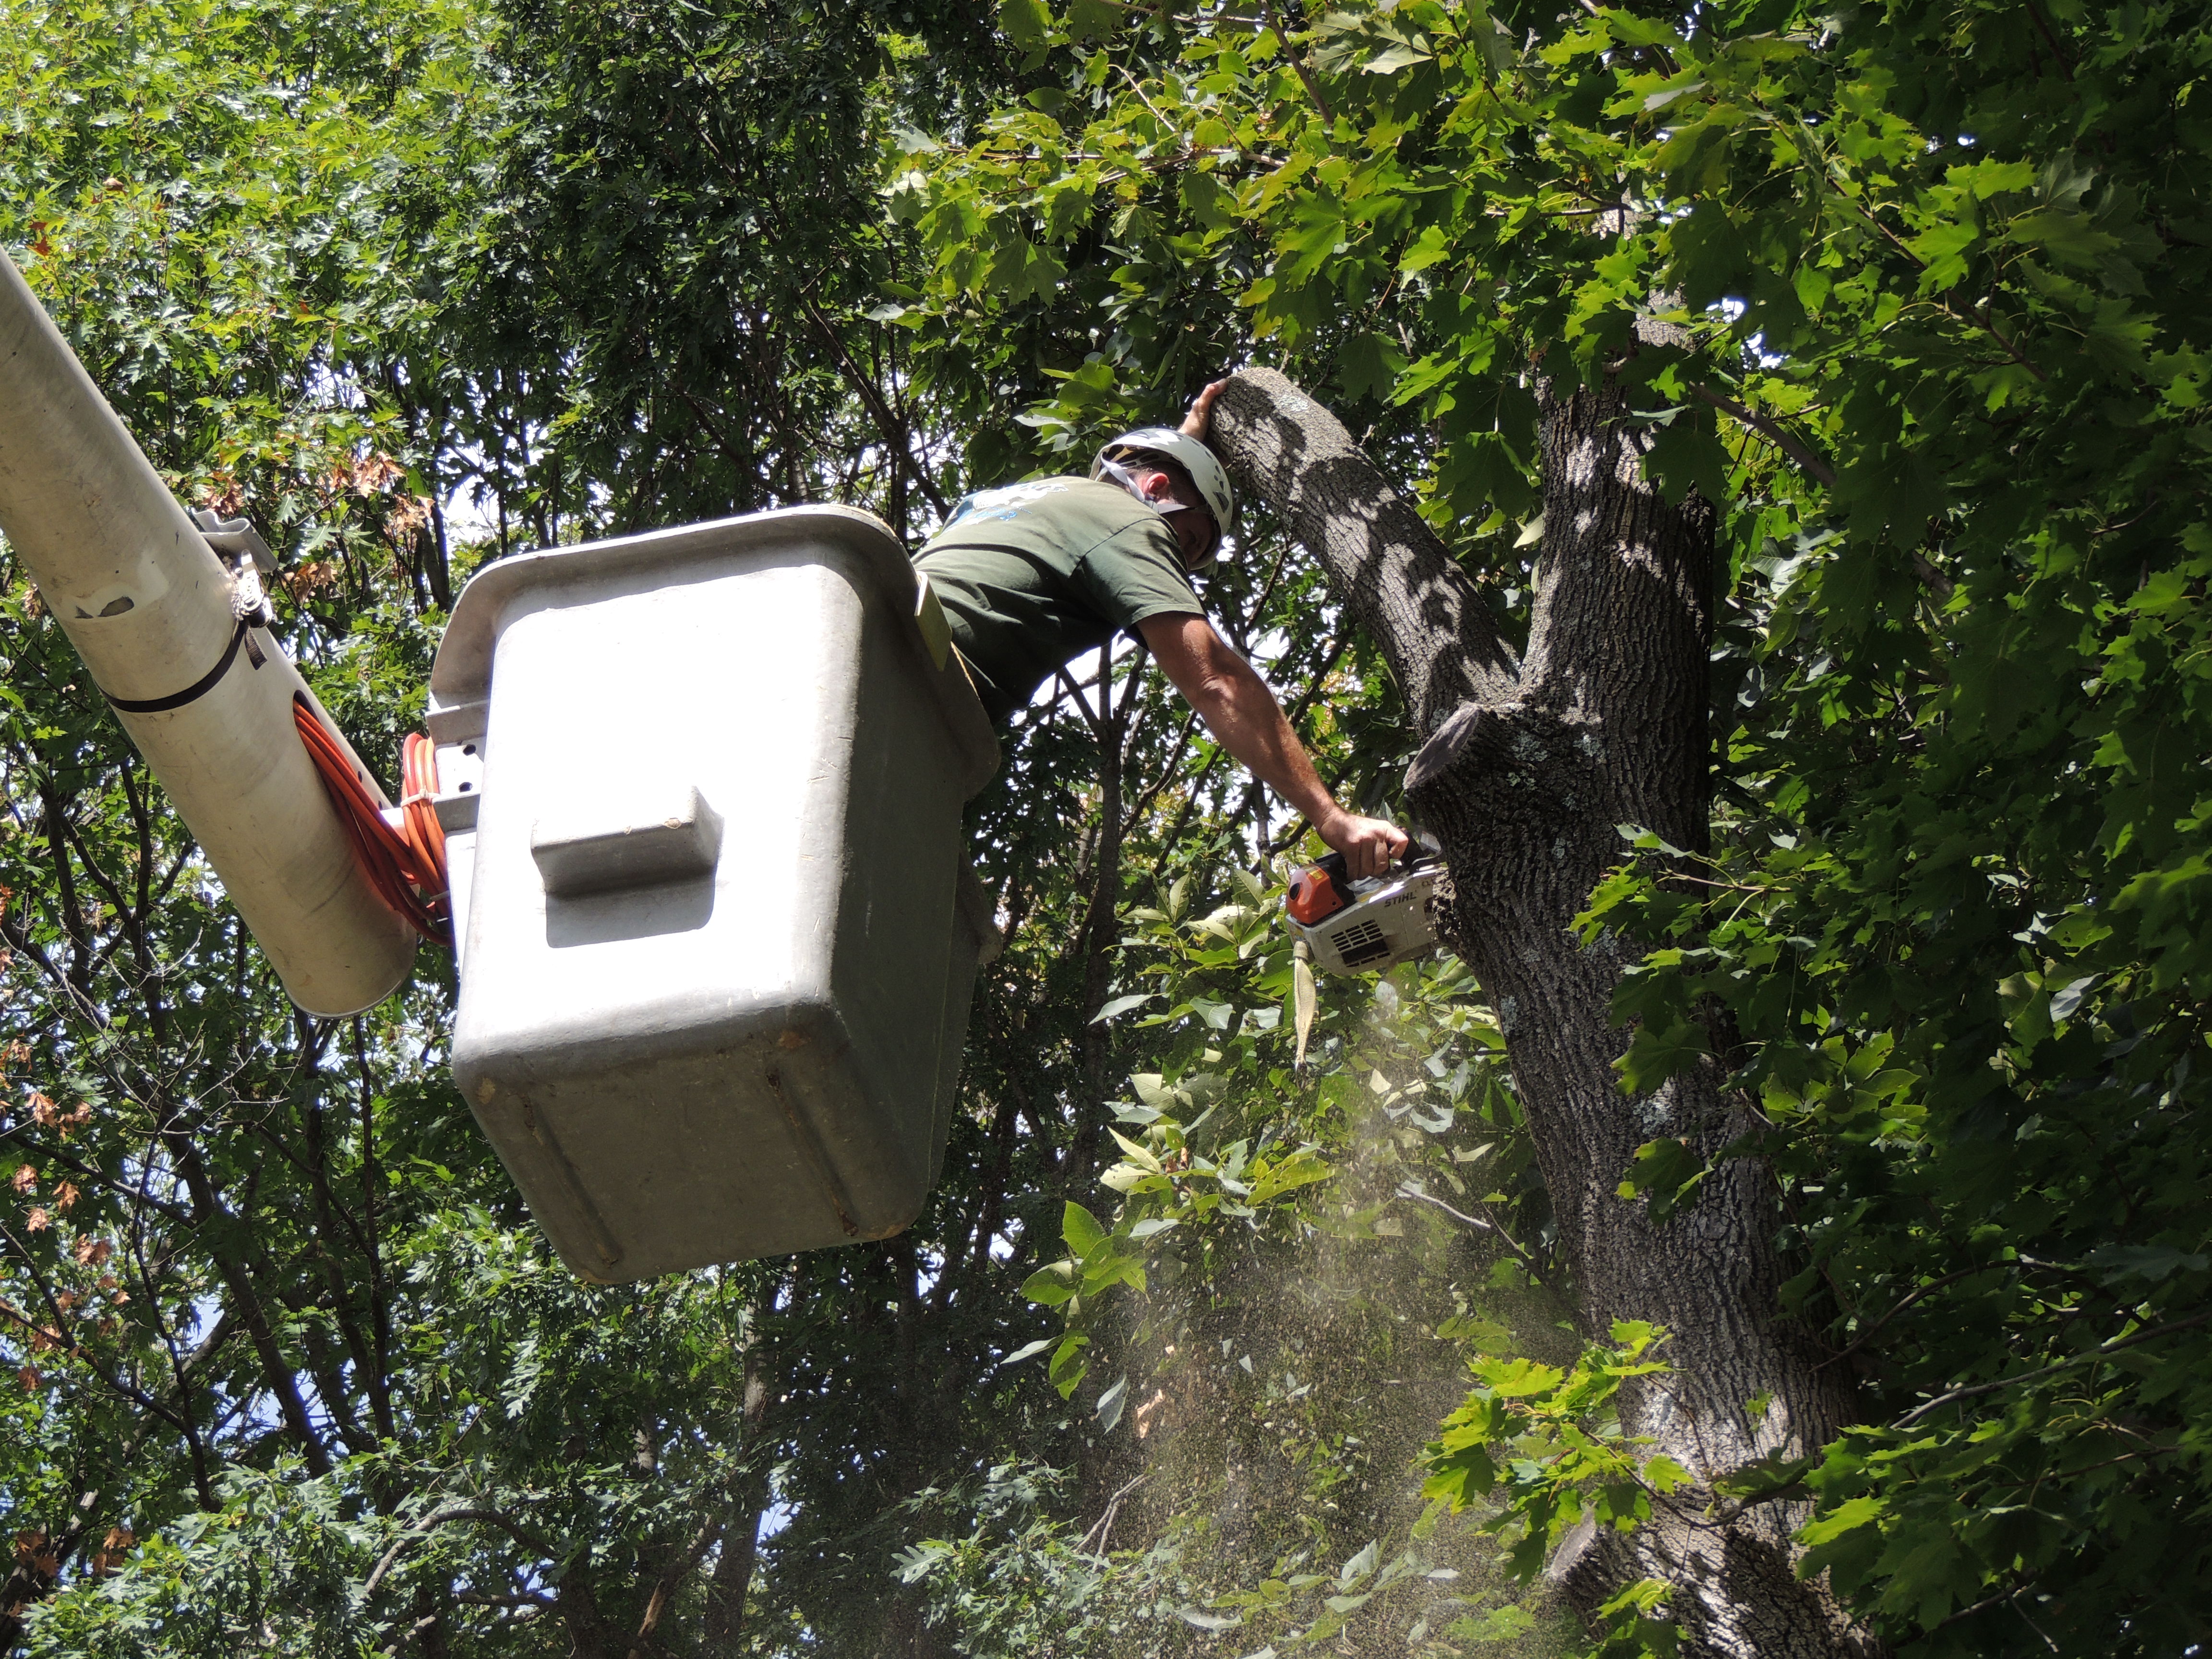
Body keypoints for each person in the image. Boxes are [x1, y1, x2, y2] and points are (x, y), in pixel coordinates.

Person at [914, 381, 1410, 879]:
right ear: (1154, 490)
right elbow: (1215, 680)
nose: (1179, 564)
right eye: (1189, 542)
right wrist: (1331, 816)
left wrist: (1188, 443)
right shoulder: (1132, 520)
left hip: (871, 635)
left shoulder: (1019, 500)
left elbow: (1149, 482)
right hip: (920, 697)